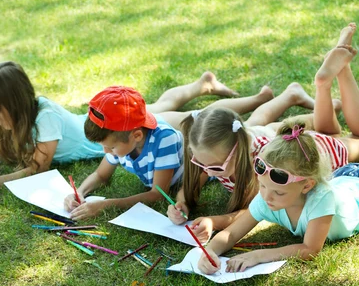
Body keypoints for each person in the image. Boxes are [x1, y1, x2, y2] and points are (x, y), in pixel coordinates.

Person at [197, 93, 359, 275]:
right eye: (263, 187)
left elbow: (310, 249)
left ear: (306, 186)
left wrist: (259, 255)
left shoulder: (321, 199)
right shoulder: (270, 193)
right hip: (350, 180)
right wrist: (211, 251)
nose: (266, 197)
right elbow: (231, 234)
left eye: (277, 192)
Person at [168, 23, 359, 242]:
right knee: (327, 130)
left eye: (215, 167)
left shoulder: (261, 167)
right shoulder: (219, 148)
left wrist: (215, 221)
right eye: (201, 164)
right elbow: (197, 179)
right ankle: (321, 87)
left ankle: (342, 71)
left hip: (317, 151)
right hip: (288, 142)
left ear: (237, 150)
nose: (208, 173)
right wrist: (181, 202)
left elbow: (258, 211)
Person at [62, 78, 319, 220]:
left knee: (274, 128)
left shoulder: (162, 142)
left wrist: (106, 205)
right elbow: (101, 175)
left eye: (110, 146)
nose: (107, 152)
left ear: (136, 135)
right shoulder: (120, 147)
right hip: (224, 137)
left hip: (252, 140)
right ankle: (285, 96)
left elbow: (158, 193)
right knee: (252, 122)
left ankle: (314, 115)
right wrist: (81, 192)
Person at [0, 61, 105, 194]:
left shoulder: (47, 117)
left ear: (15, 103)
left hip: (97, 138)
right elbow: (5, 147)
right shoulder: (21, 116)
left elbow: (37, 169)